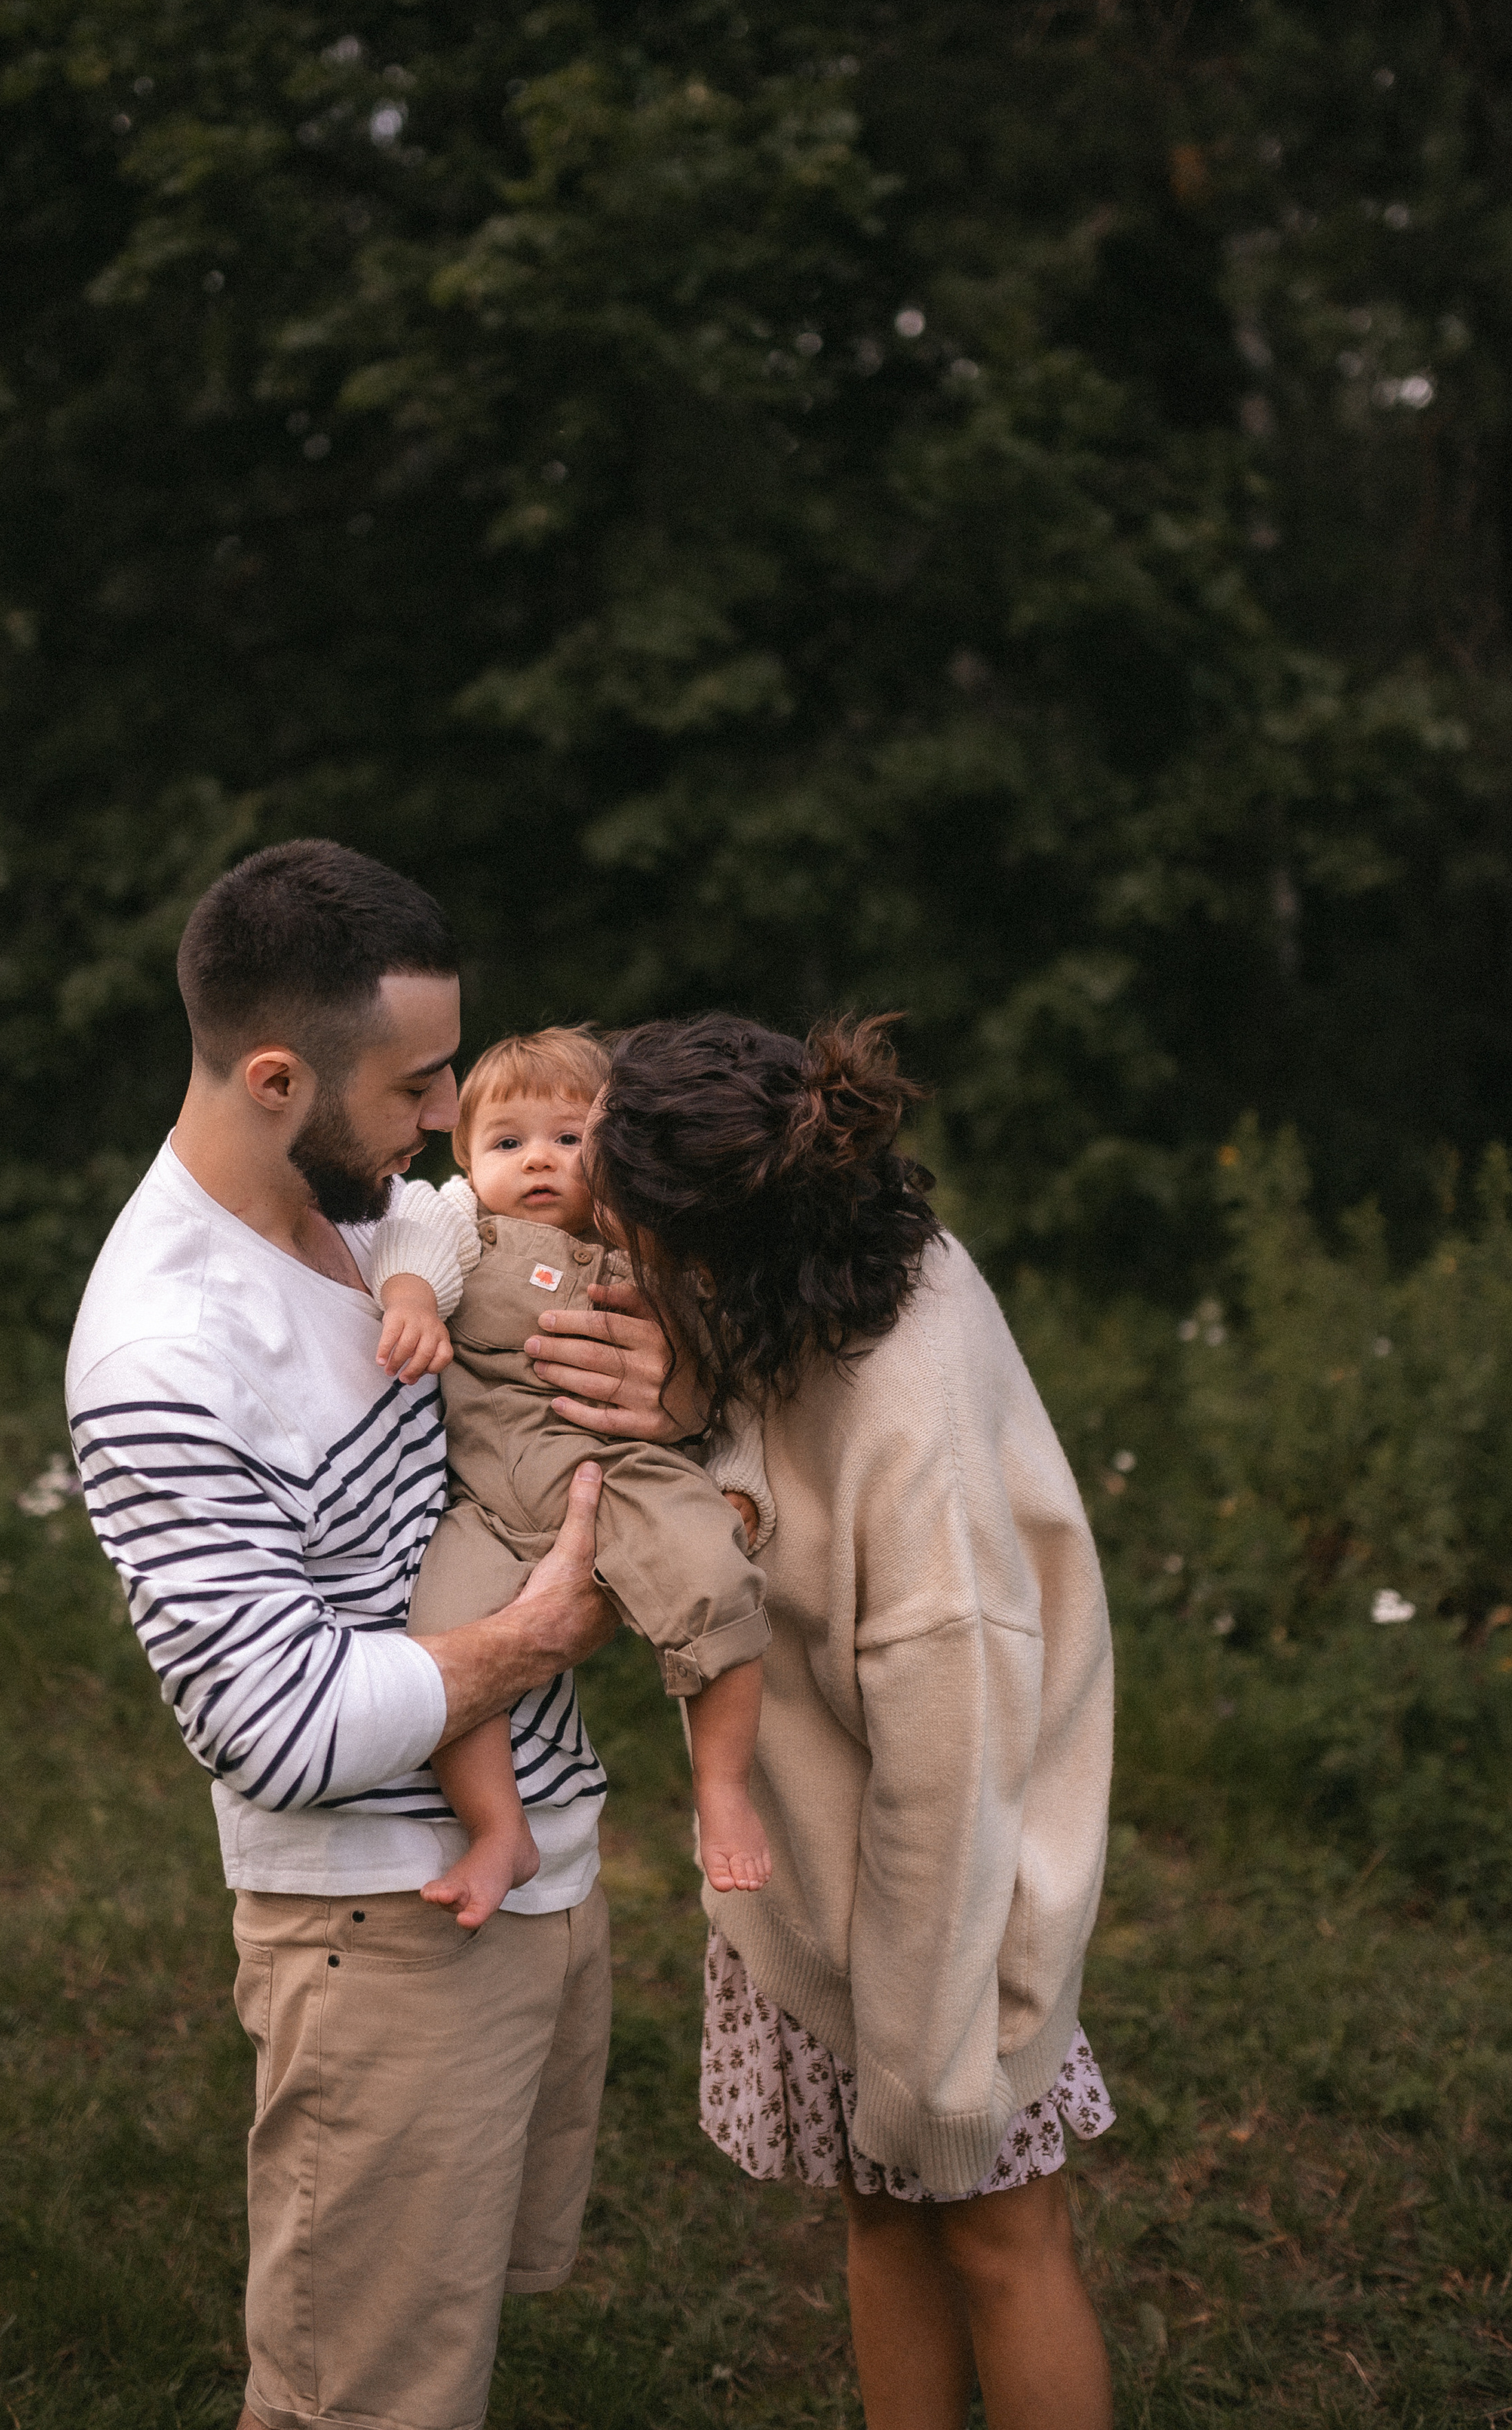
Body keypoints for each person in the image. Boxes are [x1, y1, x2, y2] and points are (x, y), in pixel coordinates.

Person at [64, 841, 627, 2430]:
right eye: (417, 1085)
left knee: (432, 2355)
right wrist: (550, 1626)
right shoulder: (170, 1349)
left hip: (535, 1874)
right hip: (384, 1935)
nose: (452, 1120)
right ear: (271, 1078)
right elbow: (279, 1725)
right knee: (357, 2401)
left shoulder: (381, 1217)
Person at [584, 1012, 1118, 2430]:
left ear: (703, 1246)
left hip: (946, 1935)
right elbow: (764, 1469)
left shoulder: (910, 1421)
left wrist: (938, 2074)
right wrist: (687, 1401)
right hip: (829, 1892)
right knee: (880, 2222)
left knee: (1000, 2240)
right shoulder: (812, 1267)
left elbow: (945, 1777)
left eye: (621, 1228)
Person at [388, 1026, 773, 1930]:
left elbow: (717, 1347)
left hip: (625, 1474)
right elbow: (405, 1241)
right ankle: (499, 1828)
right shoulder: (458, 1223)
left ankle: (721, 1787)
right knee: (441, 1646)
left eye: (569, 1139)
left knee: (717, 1572)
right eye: (508, 1142)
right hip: (490, 1497)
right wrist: (409, 1300)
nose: (539, 1162)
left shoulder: (642, 1242)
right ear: (467, 1156)